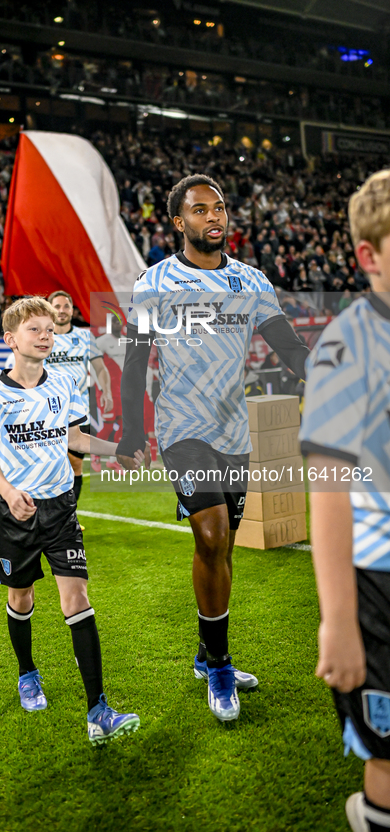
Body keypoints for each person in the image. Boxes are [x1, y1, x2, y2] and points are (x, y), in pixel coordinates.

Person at [117, 174, 309, 721]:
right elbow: (135, 362)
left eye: (220, 207)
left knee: (219, 551)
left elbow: (289, 348)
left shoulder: (251, 282)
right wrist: (134, 433)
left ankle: (207, 652)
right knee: (213, 531)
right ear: (179, 222)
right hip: (182, 429)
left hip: (233, 432)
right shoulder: (155, 282)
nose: (215, 217)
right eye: (200, 210)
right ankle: (220, 669)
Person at [0, 297, 142, 743]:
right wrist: (9, 493)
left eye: (50, 329)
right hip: (15, 513)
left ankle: (98, 711)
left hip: (60, 507)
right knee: (22, 597)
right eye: (35, 329)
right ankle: (28, 672)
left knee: (77, 598)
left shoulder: (65, 381)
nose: (46, 335)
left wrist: (118, 450)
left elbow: (75, 438)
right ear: (9, 340)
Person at [299, 169, 390, 832]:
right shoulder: (344, 346)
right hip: (377, 589)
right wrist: (338, 621)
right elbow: (326, 491)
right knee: (388, 754)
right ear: (369, 256)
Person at [47, 291, 113, 504]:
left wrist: (107, 391)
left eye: (66, 306)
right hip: (47, 412)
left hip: (77, 412)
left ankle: (70, 515)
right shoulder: (43, 338)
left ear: (72, 309)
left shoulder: (85, 336)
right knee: (52, 466)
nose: (62, 311)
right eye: (57, 306)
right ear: (49, 310)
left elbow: (100, 369)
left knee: (75, 466)